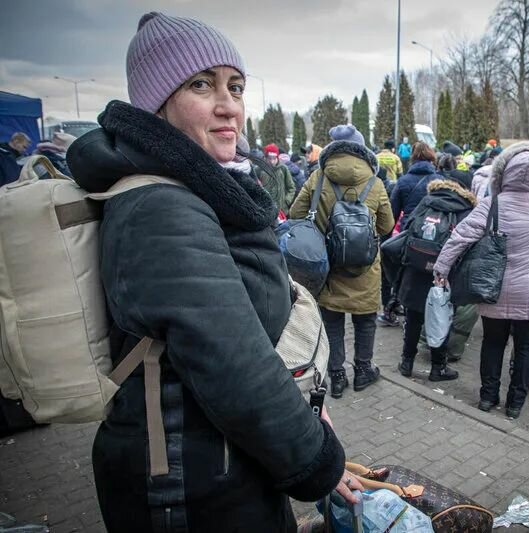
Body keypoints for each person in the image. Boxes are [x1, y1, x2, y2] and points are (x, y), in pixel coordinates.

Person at [66, 12, 356, 532]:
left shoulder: (205, 191)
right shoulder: (161, 206)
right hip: (186, 485)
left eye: (236, 87)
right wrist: (320, 464)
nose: (229, 107)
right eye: (202, 85)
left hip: (217, 464)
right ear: (157, 104)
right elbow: (237, 368)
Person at [434, 142, 529, 419]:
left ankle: (488, 398)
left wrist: (441, 268)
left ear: (504, 174)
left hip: (495, 289)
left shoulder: (493, 203)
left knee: (492, 343)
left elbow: (461, 236)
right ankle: (515, 404)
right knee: (527, 349)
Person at [290, 124, 394, 399]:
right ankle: (362, 372)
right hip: (366, 268)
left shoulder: (318, 177)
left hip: (329, 267)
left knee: (333, 322)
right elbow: (387, 226)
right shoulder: (375, 182)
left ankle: (337, 377)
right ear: (362, 150)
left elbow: (296, 213)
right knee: (366, 321)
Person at [396, 172, 477, 382]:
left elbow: (407, 227)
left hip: (415, 268)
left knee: (413, 318)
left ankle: (406, 363)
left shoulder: (427, 200)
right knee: (441, 318)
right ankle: (438, 367)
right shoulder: (466, 208)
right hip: (444, 273)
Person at [391, 142, 442, 230]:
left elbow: (393, 213)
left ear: (412, 157)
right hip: (433, 230)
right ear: (431, 157)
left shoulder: (403, 181)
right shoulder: (440, 181)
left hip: (408, 228)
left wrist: (385, 240)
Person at [258, 143, 295, 213]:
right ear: (265, 157)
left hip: (282, 210)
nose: (272, 161)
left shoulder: (283, 169)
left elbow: (291, 187)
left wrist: (287, 201)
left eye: (274, 158)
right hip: (265, 209)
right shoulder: (259, 169)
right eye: (269, 158)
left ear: (277, 157)